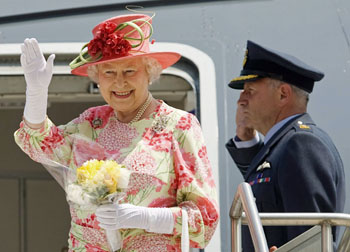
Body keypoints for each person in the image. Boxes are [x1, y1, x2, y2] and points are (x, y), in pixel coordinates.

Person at [14, 13, 219, 251]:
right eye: (109, 72)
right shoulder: (92, 122)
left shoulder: (179, 125)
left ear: (150, 73)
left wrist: (145, 217)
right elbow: (40, 147)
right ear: (97, 77)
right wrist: (36, 95)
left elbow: (204, 217)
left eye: (130, 71)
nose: (119, 83)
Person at [225, 40, 345, 251]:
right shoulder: (284, 146)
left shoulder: (302, 145)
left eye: (250, 91)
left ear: (283, 94)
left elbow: (310, 242)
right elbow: (266, 191)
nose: (240, 101)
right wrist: (247, 141)